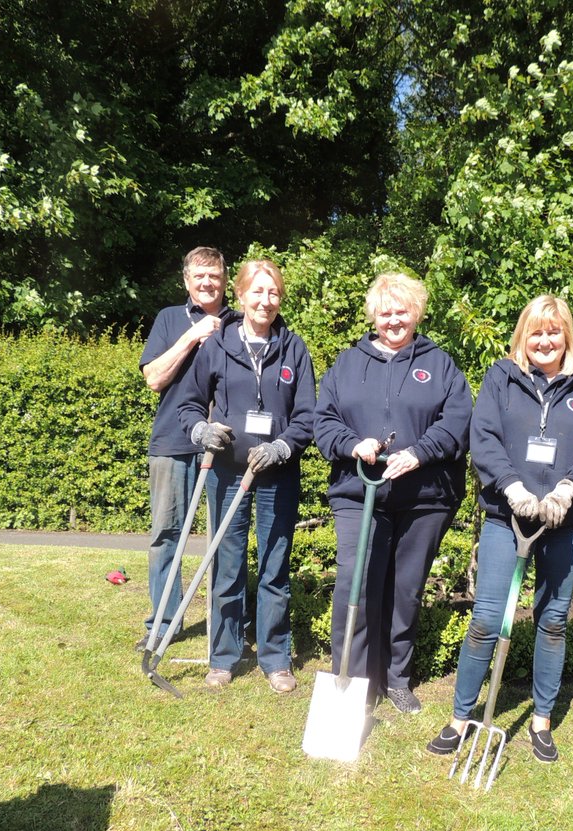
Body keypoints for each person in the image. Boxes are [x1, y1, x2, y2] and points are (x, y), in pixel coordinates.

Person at [427, 294, 573, 762]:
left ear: (566, 335)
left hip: (567, 521)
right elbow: (482, 437)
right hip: (506, 517)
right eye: (536, 331)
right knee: (487, 618)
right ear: (523, 336)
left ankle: (541, 720)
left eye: (554, 331)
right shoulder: (500, 378)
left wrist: (567, 489)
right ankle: (460, 717)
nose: (545, 340)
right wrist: (512, 488)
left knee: (552, 620)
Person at [314, 273, 472, 713]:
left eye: (402, 310)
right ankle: (355, 679)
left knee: (406, 590)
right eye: (385, 311)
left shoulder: (440, 364)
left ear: (416, 313)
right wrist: (352, 443)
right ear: (373, 316)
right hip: (358, 492)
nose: (394, 319)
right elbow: (323, 420)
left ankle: (397, 678)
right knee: (357, 585)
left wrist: (421, 453)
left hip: (424, 498)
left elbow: (458, 421)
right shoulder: (347, 364)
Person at [176, 259, 316, 692]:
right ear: (239, 296)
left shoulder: (294, 349)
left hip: (276, 474)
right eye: (257, 291)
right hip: (226, 472)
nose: (266, 300)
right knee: (228, 563)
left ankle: (275, 658)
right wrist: (201, 430)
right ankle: (224, 655)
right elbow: (188, 406)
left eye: (273, 293)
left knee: (274, 565)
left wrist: (281, 447)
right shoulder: (217, 346)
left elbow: (308, 416)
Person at [137, 247, 233, 649]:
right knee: (166, 535)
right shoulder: (169, 319)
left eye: (214, 275)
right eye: (199, 276)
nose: (207, 282)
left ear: (226, 279)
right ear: (186, 280)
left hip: (228, 447)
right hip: (173, 444)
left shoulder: (243, 323)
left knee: (226, 539)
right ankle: (162, 625)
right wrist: (192, 336)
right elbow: (154, 379)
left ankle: (227, 628)